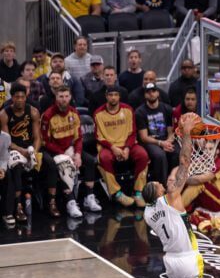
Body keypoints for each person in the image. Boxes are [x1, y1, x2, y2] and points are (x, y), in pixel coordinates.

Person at [143, 113, 203, 278]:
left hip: (170, 261)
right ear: (159, 192)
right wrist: (187, 132)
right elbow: (185, 161)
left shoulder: (147, 213)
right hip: (188, 259)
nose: (163, 183)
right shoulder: (171, 198)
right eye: (160, 184)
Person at [41, 86, 102, 217]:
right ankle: (71, 202)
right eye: (61, 96)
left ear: (70, 97)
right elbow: (45, 142)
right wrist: (63, 153)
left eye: (66, 96)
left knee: (90, 161)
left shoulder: (74, 113)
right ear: (56, 98)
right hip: (54, 151)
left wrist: (78, 154)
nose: (64, 99)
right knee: (65, 164)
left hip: (70, 148)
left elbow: (79, 137)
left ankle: (89, 198)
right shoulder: (48, 115)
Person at [94, 86, 149, 207]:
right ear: (106, 96)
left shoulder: (128, 110)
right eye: (110, 95)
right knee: (104, 158)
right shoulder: (98, 113)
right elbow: (98, 137)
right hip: (108, 147)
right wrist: (113, 148)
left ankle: (138, 192)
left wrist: (127, 149)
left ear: (119, 96)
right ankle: (117, 194)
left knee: (143, 155)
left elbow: (133, 132)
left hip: (127, 145)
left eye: (115, 95)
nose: (113, 98)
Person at [0, 83, 42, 222]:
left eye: (22, 97)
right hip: (11, 149)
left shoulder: (33, 112)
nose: (19, 99)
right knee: (16, 168)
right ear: (12, 98)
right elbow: (6, 141)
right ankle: (18, 206)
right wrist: (21, 150)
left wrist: (34, 152)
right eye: (16, 97)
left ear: (26, 97)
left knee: (49, 164)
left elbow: (37, 138)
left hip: (29, 148)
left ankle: (53, 202)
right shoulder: (4, 114)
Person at [136, 82, 178, 185]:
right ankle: (162, 186)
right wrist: (161, 143)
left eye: (153, 91)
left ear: (158, 93)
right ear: (145, 95)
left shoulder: (167, 108)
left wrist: (167, 142)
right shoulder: (140, 112)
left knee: (176, 152)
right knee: (160, 155)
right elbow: (144, 137)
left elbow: (171, 130)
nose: (151, 94)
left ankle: (176, 184)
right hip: (150, 141)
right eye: (148, 92)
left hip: (165, 139)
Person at [182, 141, 220, 213]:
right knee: (188, 178)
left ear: (217, 151)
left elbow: (202, 179)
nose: (208, 152)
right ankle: (175, 202)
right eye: (206, 149)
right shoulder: (204, 159)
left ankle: (176, 209)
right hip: (209, 195)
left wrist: (182, 179)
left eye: (211, 149)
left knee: (198, 184)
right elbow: (187, 167)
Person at [0, 129, 15, 227]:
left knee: (9, 174)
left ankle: (7, 213)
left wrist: (2, 170)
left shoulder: (6, 137)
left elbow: (4, 158)